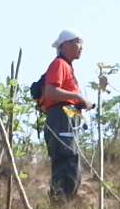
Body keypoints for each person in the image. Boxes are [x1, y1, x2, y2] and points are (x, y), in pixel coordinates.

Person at [37, 29, 91, 199]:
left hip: (66, 117)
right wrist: (77, 96)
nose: (81, 47)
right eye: (78, 42)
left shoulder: (66, 66)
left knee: (71, 158)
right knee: (65, 157)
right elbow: (51, 91)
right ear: (65, 44)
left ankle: (67, 201)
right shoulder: (59, 64)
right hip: (61, 117)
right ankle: (61, 202)